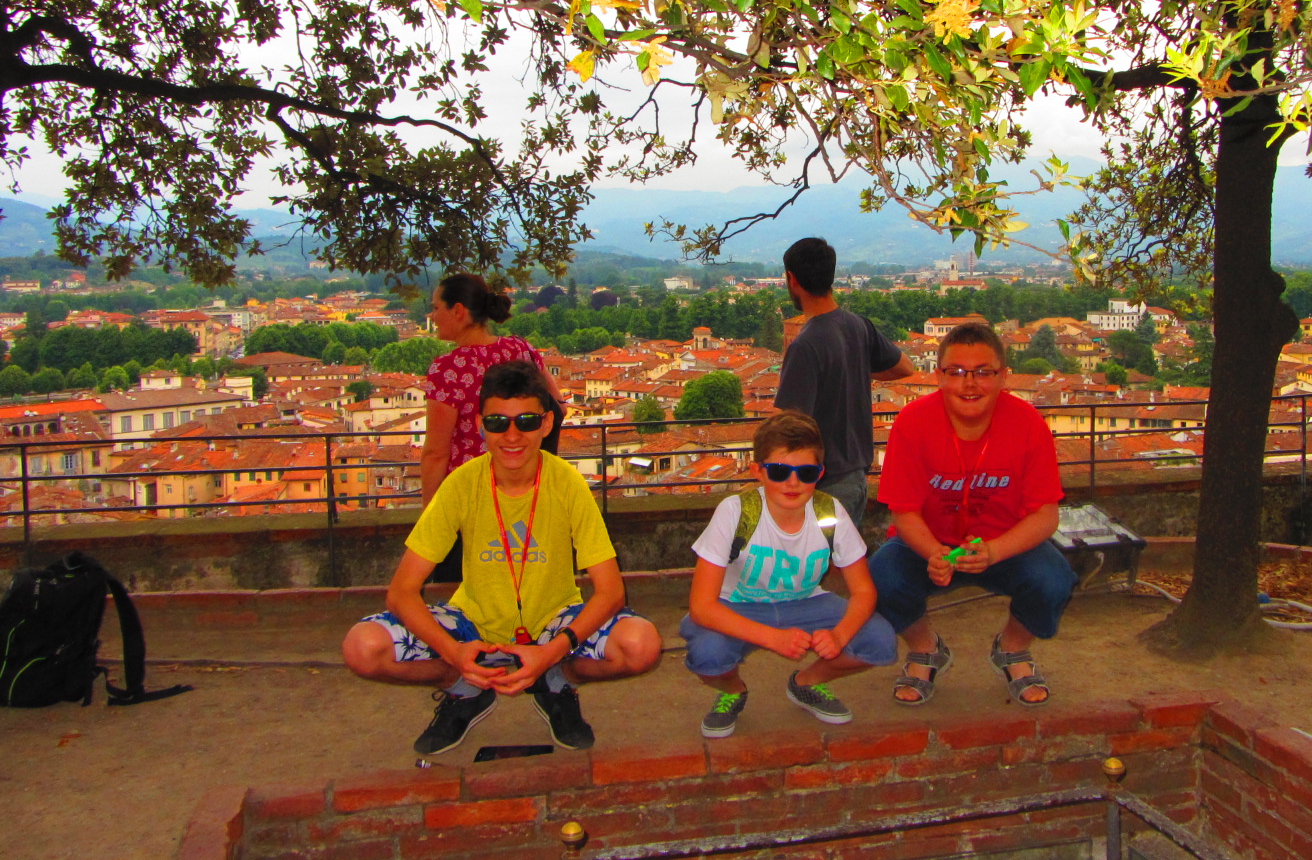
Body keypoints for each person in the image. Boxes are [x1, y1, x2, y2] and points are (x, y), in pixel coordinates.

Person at [342, 361, 661, 755]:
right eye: (497, 423)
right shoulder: (461, 483)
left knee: (641, 645)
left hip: (554, 622)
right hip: (471, 623)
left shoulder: (567, 483)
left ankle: (556, 679)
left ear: (546, 424)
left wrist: (552, 652)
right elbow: (402, 592)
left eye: (526, 421)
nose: (512, 436)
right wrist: (454, 653)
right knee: (363, 647)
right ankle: (463, 685)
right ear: (480, 425)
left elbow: (611, 591)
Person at [868, 321, 1075, 707]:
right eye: (957, 372)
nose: (969, 384)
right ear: (938, 375)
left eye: (983, 372)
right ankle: (925, 649)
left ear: (1003, 376)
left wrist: (995, 551)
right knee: (881, 577)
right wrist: (933, 553)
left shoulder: (1028, 424)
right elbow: (904, 511)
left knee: (1054, 580)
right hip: (929, 543)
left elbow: (1046, 516)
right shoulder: (912, 423)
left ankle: (1012, 648)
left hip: (1005, 543)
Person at [679, 411, 897, 737]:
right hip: (737, 605)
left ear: (820, 473)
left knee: (880, 642)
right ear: (758, 471)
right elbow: (702, 606)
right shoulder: (736, 512)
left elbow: (864, 591)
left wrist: (839, 636)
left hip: (807, 603)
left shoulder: (830, 513)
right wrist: (773, 638)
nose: (793, 483)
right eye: (780, 471)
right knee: (708, 656)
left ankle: (806, 683)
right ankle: (732, 689)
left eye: (805, 473)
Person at [774, 238, 914, 527]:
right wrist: (852, 368)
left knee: (818, 556)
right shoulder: (858, 325)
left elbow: (786, 426)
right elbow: (905, 367)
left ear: (792, 279)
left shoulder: (805, 344)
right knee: (842, 552)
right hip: (857, 477)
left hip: (825, 485)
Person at [420, 273, 564, 508]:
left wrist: (429, 514)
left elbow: (436, 453)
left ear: (458, 311)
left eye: (436, 308)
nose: (432, 316)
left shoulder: (448, 369)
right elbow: (560, 408)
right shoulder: (520, 348)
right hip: (527, 488)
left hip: (471, 494)